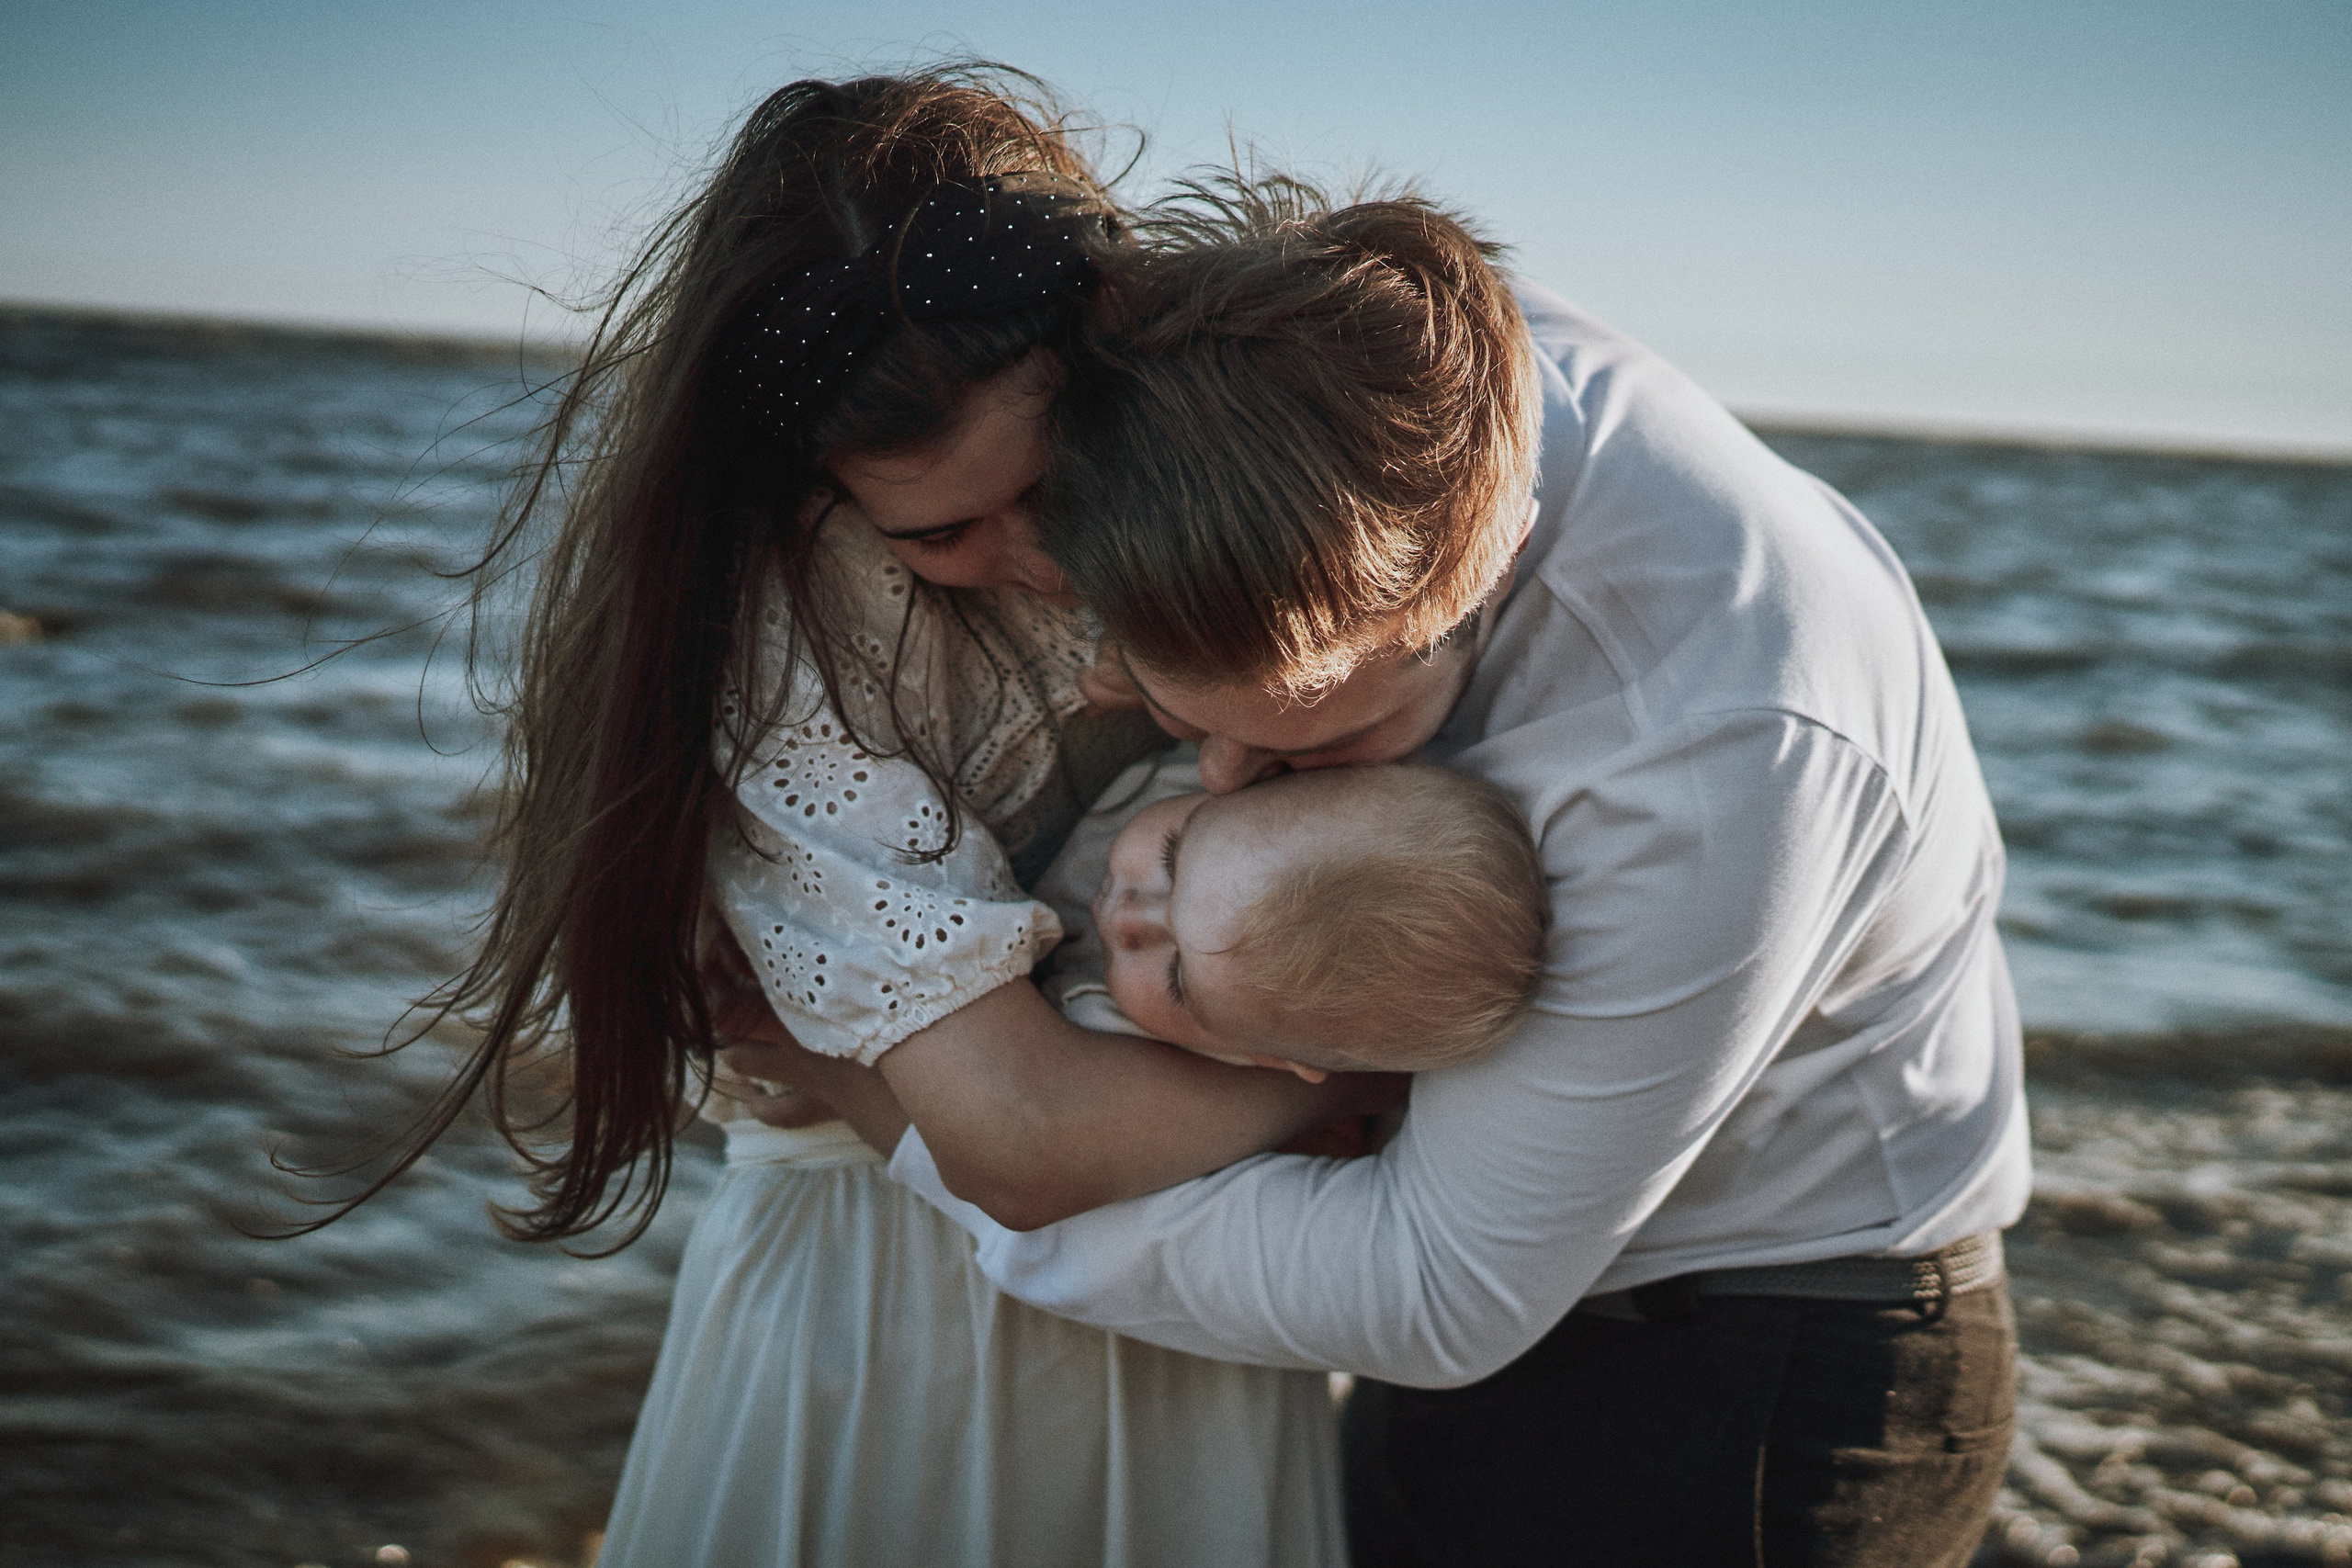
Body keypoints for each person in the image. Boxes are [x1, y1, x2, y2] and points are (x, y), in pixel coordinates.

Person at [739, 179, 2030, 1566]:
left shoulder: (1716, 738)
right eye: (1190, 723)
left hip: (1746, 1384)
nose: (1225, 782)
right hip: (1507, 1329)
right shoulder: (1329, 374)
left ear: (1473, 576)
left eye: (1328, 737)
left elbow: (1437, 1289)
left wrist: (918, 1135)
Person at [382, 73, 1365, 1568]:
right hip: (884, 1319)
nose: (1037, 556)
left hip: (1210, 1296)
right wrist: (1352, 1100)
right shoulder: (776, 622)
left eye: (1052, 483)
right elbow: (1019, 1134)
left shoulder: (1225, 482)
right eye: (940, 532)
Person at [1037, 750, 1547, 1081]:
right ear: (1271, 772)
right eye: (1172, 858)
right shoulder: (1214, 772)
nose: (1126, 917)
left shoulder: (1112, 1052)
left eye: (1176, 979)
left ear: (1263, 1057)